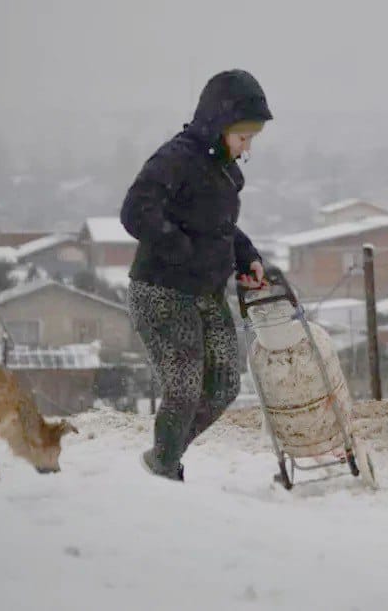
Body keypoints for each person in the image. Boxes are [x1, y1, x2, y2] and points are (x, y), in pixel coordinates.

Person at [121, 69, 271, 480]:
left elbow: (217, 225)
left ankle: (161, 457)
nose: (246, 147)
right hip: (162, 291)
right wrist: (180, 250)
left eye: (251, 139)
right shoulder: (176, 159)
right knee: (184, 389)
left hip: (205, 292)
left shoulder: (222, 169)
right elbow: (136, 210)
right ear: (218, 125)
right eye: (242, 137)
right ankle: (165, 472)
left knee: (224, 385)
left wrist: (247, 256)